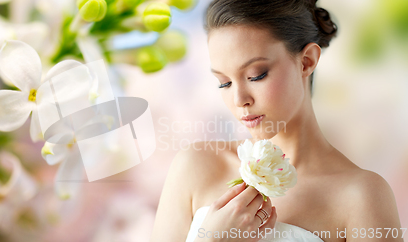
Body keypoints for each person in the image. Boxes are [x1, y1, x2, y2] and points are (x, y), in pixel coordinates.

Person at [150, 0, 403, 241]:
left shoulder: (361, 197)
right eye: (224, 82)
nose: (239, 99)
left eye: (256, 75)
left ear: (306, 62)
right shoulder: (196, 168)